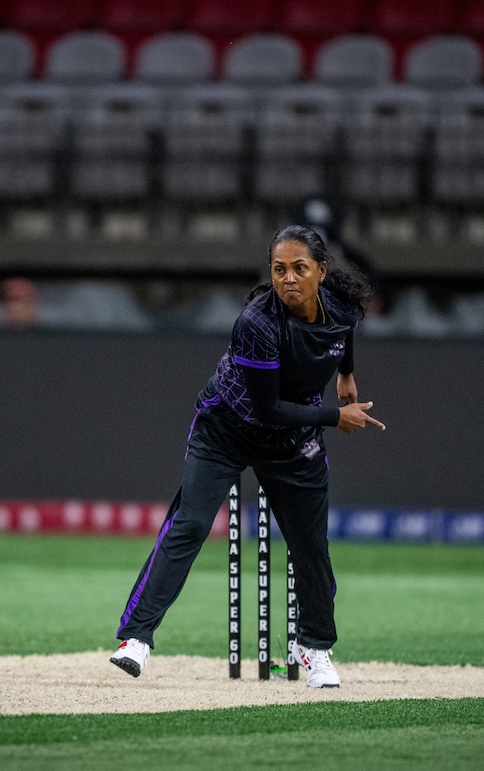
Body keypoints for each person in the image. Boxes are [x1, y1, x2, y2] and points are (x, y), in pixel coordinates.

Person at [111, 225, 386, 688]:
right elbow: (269, 408)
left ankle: (313, 648)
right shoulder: (257, 324)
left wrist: (346, 373)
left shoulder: (342, 307)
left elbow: (344, 332)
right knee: (192, 523)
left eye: (300, 268)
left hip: (292, 442)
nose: (289, 279)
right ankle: (135, 637)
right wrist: (336, 416)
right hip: (229, 428)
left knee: (310, 546)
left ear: (321, 271)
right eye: (279, 270)